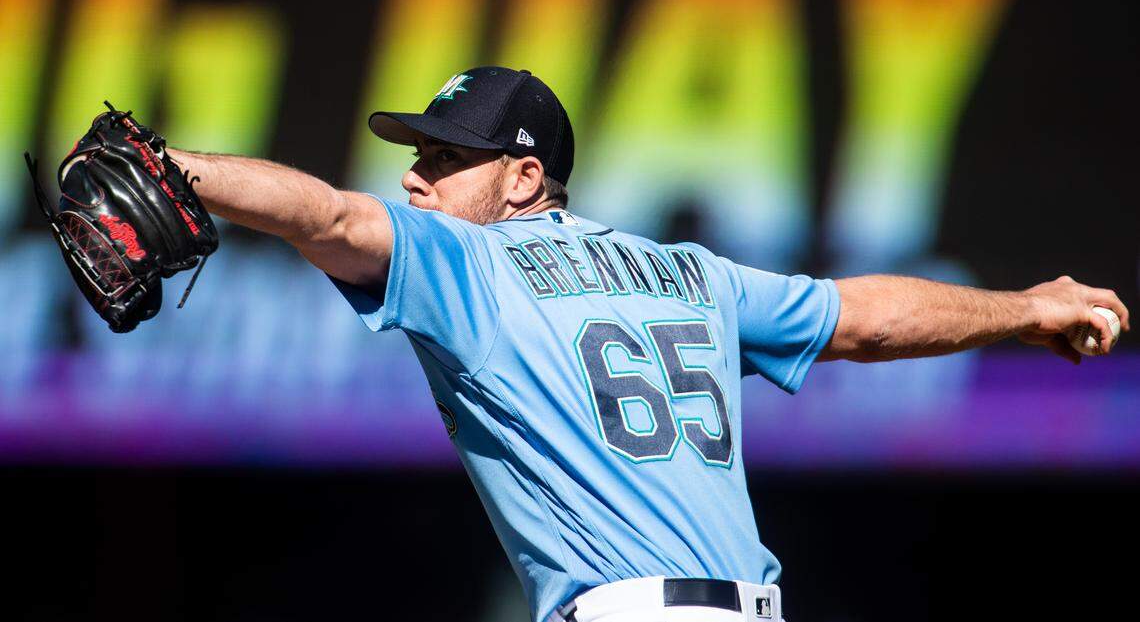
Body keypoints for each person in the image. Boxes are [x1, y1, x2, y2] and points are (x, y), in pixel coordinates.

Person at [166, 67, 1129, 622]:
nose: (415, 180)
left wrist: (180, 169)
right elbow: (864, 316)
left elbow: (330, 215)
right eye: (417, 155)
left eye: (446, 157)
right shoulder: (691, 274)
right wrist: (1027, 307)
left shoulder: (471, 268)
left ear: (523, 178)